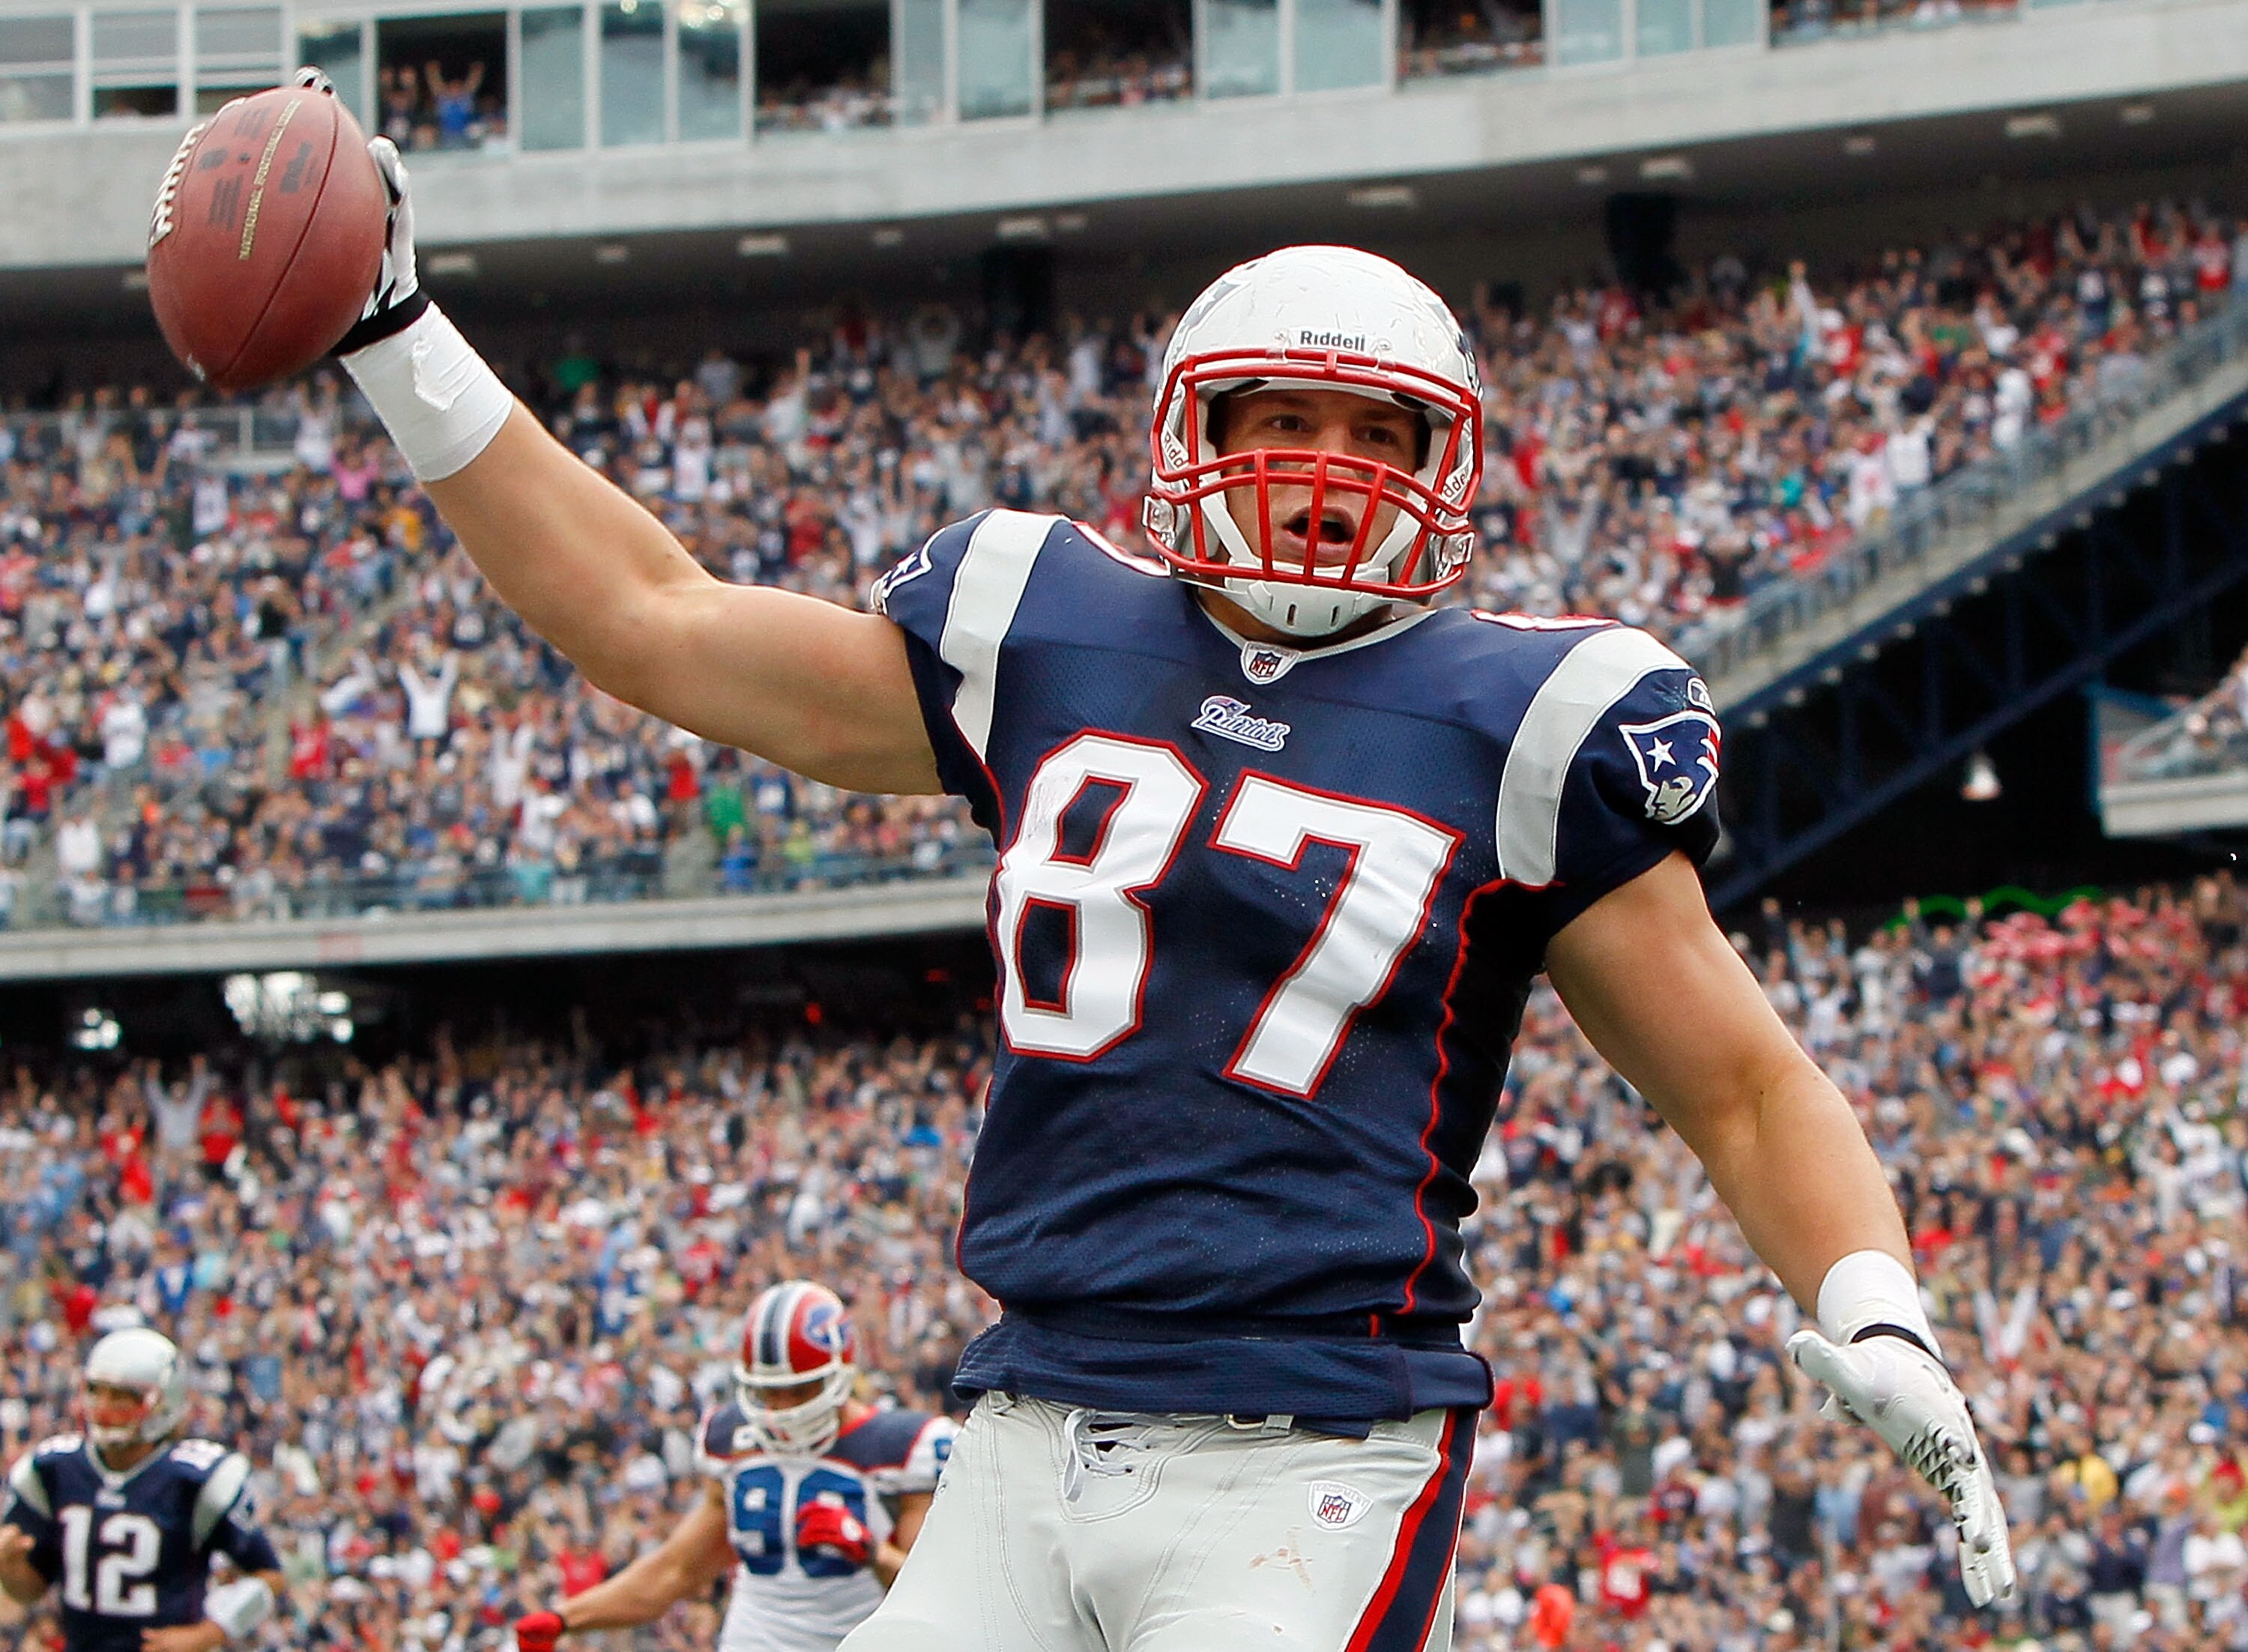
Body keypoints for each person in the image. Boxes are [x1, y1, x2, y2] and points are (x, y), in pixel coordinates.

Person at [299, 77, 2013, 1648]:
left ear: (1447, 466)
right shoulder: (1046, 628)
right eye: (1279, 417)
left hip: (1307, 1460)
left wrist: (1873, 1310)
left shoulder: (1524, 713)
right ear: (1189, 429)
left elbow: (1741, 1086)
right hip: (1021, 1424)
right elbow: (647, 620)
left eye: (1374, 438)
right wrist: (393, 327)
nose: (1325, 474)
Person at [510, 1283, 950, 1652]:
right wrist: (563, 1618)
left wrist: (873, 1552)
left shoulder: (902, 1448)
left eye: (799, 1390)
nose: (782, 1408)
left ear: (840, 1373)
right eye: (769, 1392)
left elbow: (943, 1605)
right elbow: (675, 1572)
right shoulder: (733, 1442)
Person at [0, 1328, 286, 1652]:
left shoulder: (196, 1478)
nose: (105, 1406)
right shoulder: (54, 1469)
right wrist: (9, 1570)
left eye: (123, 1396)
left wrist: (206, 1634)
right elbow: (30, 1590)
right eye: (97, 1391)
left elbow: (269, 1575)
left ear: (164, 1400)